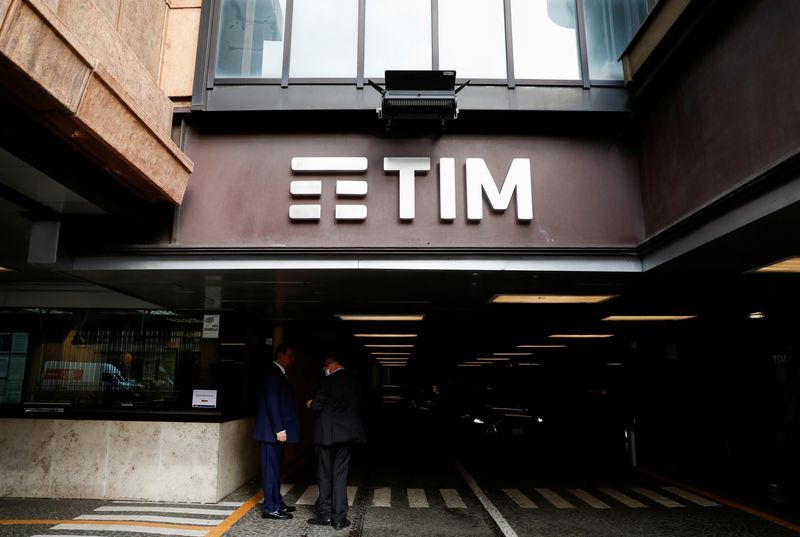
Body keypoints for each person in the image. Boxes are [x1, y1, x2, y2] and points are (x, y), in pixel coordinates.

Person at [306, 353, 366, 530]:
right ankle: (339, 519)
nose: (325, 368)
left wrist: (310, 404)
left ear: (332, 364)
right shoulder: (355, 382)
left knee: (324, 474)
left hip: (326, 435)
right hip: (347, 435)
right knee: (340, 475)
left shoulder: (328, 381)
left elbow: (317, 405)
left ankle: (325, 516)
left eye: (326, 365)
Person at [253, 343, 299, 520]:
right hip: (271, 433)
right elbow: (272, 402)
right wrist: (279, 429)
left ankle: (277, 502)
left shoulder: (279, 374)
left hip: (274, 434)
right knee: (271, 472)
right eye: (290, 356)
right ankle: (270, 508)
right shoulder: (273, 374)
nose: (293, 359)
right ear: (280, 355)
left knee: (276, 470)